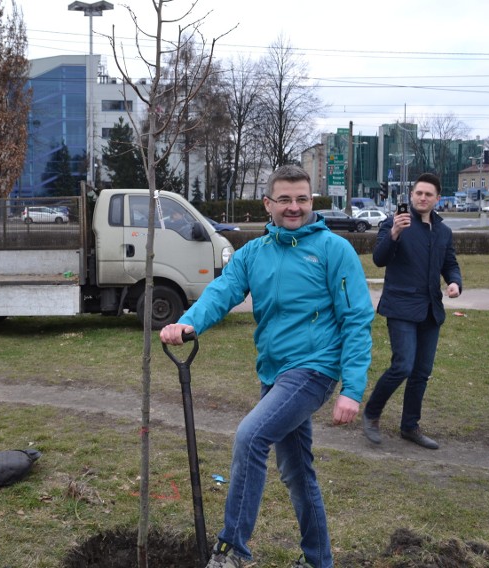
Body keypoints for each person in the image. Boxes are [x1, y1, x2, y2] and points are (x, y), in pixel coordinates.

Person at [160, 164, 375, 568]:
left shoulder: (333, 250)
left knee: (250, 437)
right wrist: (189, 321)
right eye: (285, 200)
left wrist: (351, 389)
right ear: (268, 203)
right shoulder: (255, 254)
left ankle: (233, 550)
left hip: (314, 368)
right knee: (297, 472)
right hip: (275, 374)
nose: (294, 208)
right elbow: (222, 291)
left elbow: (357, 319)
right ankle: (318, 560)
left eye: (302, 199)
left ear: (312, 202)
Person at [362, 172, 461, 451]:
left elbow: (450, 263)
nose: (422, 198)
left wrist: (454, 282)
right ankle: (371, 413)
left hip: (431, 311)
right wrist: (394, 233)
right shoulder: (393, 223)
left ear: (437, 199)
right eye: (418, 193)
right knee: (403, 365)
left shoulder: (443, 231)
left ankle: (410, 426)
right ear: (411, 195)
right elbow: (379, 259)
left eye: (428, 194)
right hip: (401, 307)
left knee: (421, 372)